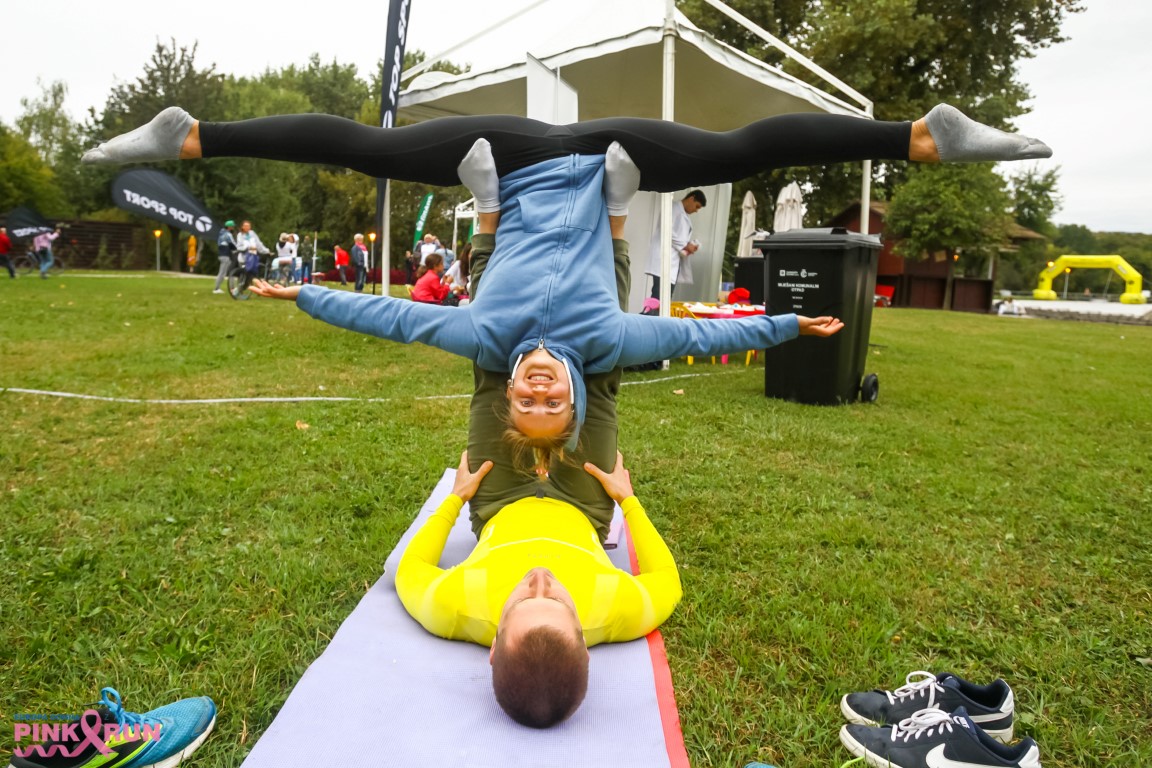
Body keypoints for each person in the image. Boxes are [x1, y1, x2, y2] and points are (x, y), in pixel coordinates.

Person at [83, 105, 1051, 467]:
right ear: (579, 396)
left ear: (509, 391)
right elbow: (703, 337)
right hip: (606, 162)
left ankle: (191, 136)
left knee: (370, 148)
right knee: (736, 151)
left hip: (502, 158)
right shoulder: (609, 344)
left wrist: (304, 295)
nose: (541, 390)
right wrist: (791, 325)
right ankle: (921, 138)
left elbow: (389, 319)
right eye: (556, 404)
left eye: (528, 402)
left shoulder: (481, 340)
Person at [396, 450, 680, 728]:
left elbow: (411, 567)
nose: (540, 576)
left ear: (494, 646)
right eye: (558, 600)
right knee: (586, 417)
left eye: (522, 601)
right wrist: (627, 499)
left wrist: (457, 497)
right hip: (582, 502)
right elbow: (666, 578)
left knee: (501, 417)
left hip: (500, 499)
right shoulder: (613, 607)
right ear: (583, 644)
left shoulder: (457, 606)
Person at [646, 189, 705, 300]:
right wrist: (686, 245)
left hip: (672, 261)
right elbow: (666, 228)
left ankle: (652, 311)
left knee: (665, 297)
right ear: (691, 198)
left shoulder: (683, 214)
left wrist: (689, 245)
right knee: (659, 296)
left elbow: (678, 237)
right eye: (697, 206)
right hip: (663, 259)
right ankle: (649, 311)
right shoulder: (672, 208)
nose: (696, 210)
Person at [212, 220, 237, 294]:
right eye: (232, 226)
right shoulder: (228, 234)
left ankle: (232, 287)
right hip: (226, 256)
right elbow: (233, 244)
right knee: (222, 273)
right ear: (229, 227)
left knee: (229, 271)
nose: (233, 228)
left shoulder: (221, 233)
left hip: (221, 255)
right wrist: (238, 249)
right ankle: (216, 289)